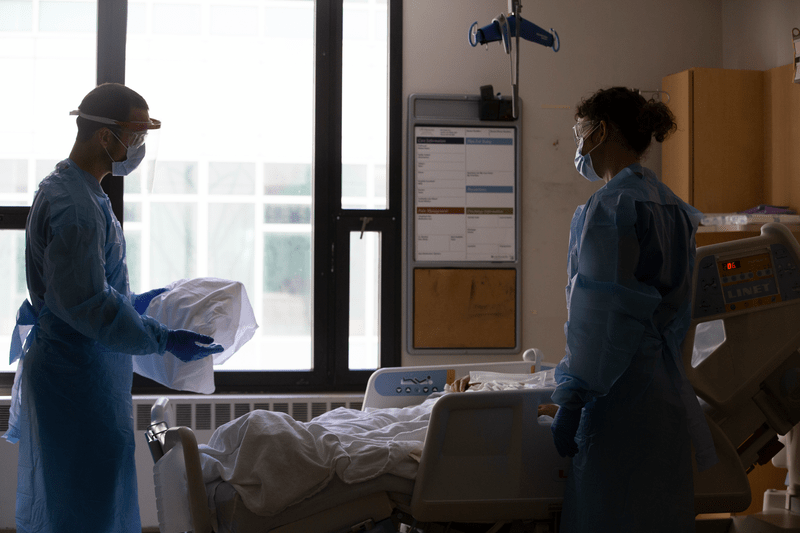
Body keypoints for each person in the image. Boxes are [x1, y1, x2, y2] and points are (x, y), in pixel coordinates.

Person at [5, 83, 224, 533]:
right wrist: (161, 337)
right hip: (75, 379)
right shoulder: (76, 206)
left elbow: (84, 288)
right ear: (107, 137)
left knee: (94, 503)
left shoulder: (78, 190)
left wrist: (136, 304)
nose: (139, 147)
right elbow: (86, 303)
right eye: (136, 135)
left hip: (84, 371)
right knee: (81, 508)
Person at [549, 87, 718, 532]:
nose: (578, 143)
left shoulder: (609, 207)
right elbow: (677, 311)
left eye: (580, 131)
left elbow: (598, 318)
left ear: (602, 130)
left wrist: (572, 398)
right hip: (666, 390)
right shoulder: (675, 209)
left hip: (619, 394)